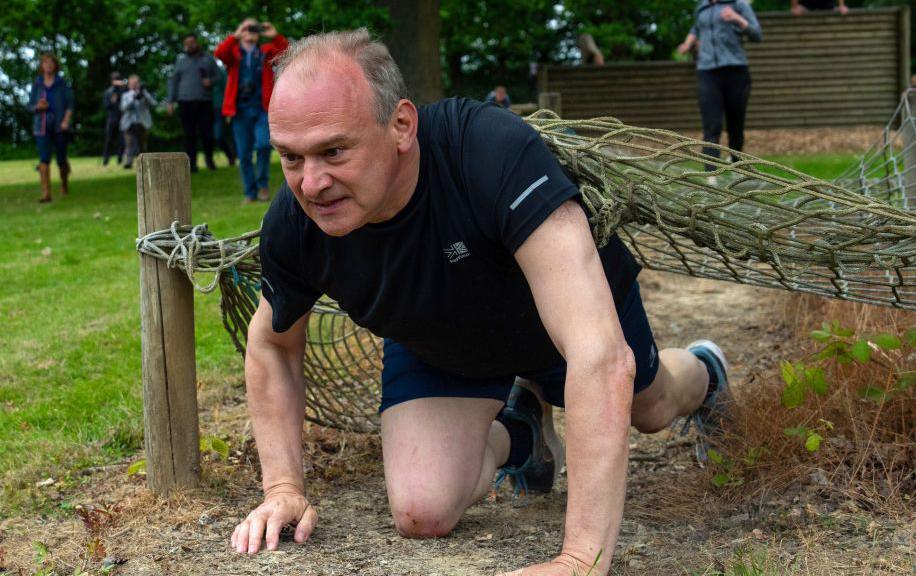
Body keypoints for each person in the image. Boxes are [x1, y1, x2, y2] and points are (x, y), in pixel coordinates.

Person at [229, 29, 731, 576]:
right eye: (290, 157)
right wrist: (282, 487)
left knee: (651, 407)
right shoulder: (294, 223)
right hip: (442, 340)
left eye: (333, 151)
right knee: (422, 510)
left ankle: (705, 371)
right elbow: (273, 344)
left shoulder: (489, 150)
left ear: (401, 125)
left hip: (564, 326)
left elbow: (600, 356)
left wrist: (580, 560)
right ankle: (524, 434)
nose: (312, 183)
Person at [677, 0, 762, 171]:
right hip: (707, 72)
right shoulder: (702, 7)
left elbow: (757, 34)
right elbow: (697, 28)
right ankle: (711, 174)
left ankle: (737, 163)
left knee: (735, 125)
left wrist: (738, 19)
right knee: (711, 124)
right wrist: (688, 43)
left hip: (736, 70)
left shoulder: (738, 5)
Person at [215, 19, 288, 204]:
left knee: (264, 145)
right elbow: (220, 53)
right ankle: (250, 192)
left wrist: (275, 36)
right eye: (247, 28)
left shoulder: (265, 51)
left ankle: (262, 185)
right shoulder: (233, 53)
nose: (250, 32)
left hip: (262, 108)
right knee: (244, 153)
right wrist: (236, 36)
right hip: (240, 110)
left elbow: (286, 53)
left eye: (253, 28)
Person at [167, 33, 219, 173]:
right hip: (185, 102)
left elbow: (219, 76)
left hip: (204, 101)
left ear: (197, 43)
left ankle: (209, 160)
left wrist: (211, 81)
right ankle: (191, 165)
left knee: (207, 133)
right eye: (186, 43)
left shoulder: (208, 59)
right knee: (189, 134)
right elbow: (173, 81)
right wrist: (170, 101)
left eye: (192, 42)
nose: (189, 45)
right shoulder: (180, 61)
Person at [27, 52, 74, 203]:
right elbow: (29, 106)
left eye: (51, 62)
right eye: (45, 62)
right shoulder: (37, 84)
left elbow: (70, 104)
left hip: (60, 125)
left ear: (55, 65)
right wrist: (37, 106)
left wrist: (66, 121)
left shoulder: (61, 83)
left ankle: (64, 184)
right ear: (42, 65)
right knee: (44, 159)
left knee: (61, 158)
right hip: (42, 126)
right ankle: (46, 194)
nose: (48, 65)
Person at [120, 75, 158, 169]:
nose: (134, 85)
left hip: (142, 123)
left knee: (142, 144)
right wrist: (133, 98)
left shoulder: (144, 94)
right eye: (132, 83)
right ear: (129, 84)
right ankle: (128, 163)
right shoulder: (126, 95)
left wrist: (144, 94)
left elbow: (154, 103)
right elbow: (123, 108)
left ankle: (144, 163)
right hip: (129, 123)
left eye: (136, 83)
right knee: (129, 143)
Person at [211, 62, 237, 166]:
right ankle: (231, 155)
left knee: (231, 134)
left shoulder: (221, 72)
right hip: (211, 109)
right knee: (218, 136)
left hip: (225, 108)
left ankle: (232, 155)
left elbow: (228, 89)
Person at [102, 72, 126, 167]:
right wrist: (112, 101)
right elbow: (106, 106)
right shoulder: (108, 92)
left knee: (121, 140)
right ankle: (106, 159)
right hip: (112, 119)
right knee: (109, 140)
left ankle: (120, 159)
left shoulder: (123, 91)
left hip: (122, 118)